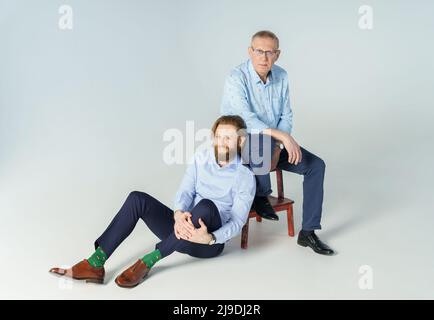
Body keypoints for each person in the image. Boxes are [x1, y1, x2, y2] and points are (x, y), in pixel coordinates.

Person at [49, 115, 256, 288]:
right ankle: (96, 263)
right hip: (180, 231)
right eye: (218, 137)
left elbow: (237, 222)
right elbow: (185, 191)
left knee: (207, 206)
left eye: (228, 138)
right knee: (137, 198)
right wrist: (177, 215)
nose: (221, 142)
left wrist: (210, 238)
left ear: (241, 141)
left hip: (205, 244)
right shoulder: (201, 159)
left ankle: (148, 261)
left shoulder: (245, 177)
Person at [221, 30, 334, 255]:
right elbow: (246, 119)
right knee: (259, 139)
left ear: (277, 54)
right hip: (239, 147)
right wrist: (280, 139)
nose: (264, 57)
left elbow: (286, 115)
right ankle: (261, 195)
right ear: (250, 52)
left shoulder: (281, 76)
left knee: (316, 166)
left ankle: (308, 232)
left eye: (270, 52)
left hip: (270, 146)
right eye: (259, 51)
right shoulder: (236, 77)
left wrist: (279, 144)